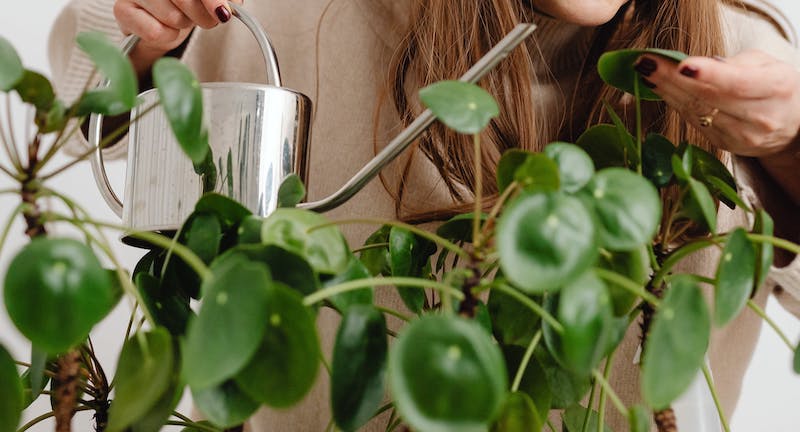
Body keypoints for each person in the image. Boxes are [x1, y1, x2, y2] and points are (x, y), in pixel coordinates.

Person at [49, 0, 800, 430]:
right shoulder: (284, 18)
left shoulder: (747, 69)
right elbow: (86, 89)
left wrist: (794, 146)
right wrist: (143, 28)